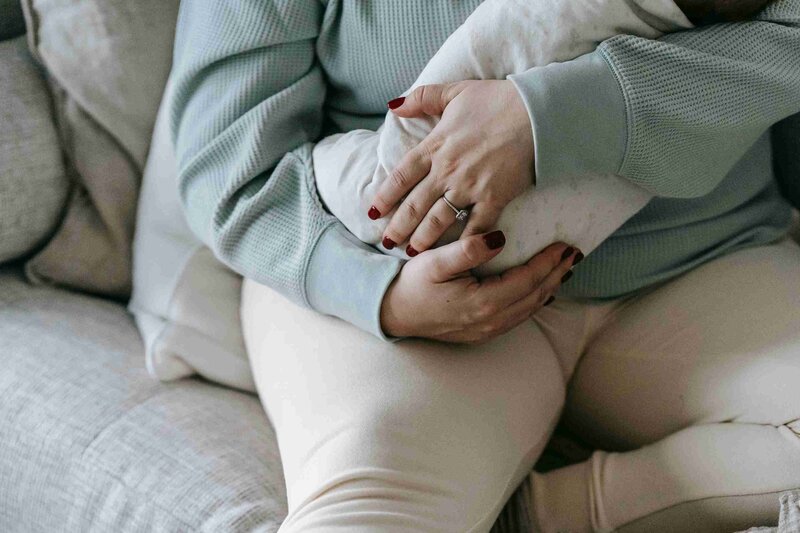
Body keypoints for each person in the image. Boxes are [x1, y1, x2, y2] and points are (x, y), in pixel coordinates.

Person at [168, 0, 800, 531]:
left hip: (698, 262)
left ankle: (542, 513)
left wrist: (555, 115)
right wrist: (381, 296)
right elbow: (227, 161)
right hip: (393, 269)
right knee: (366, 513)